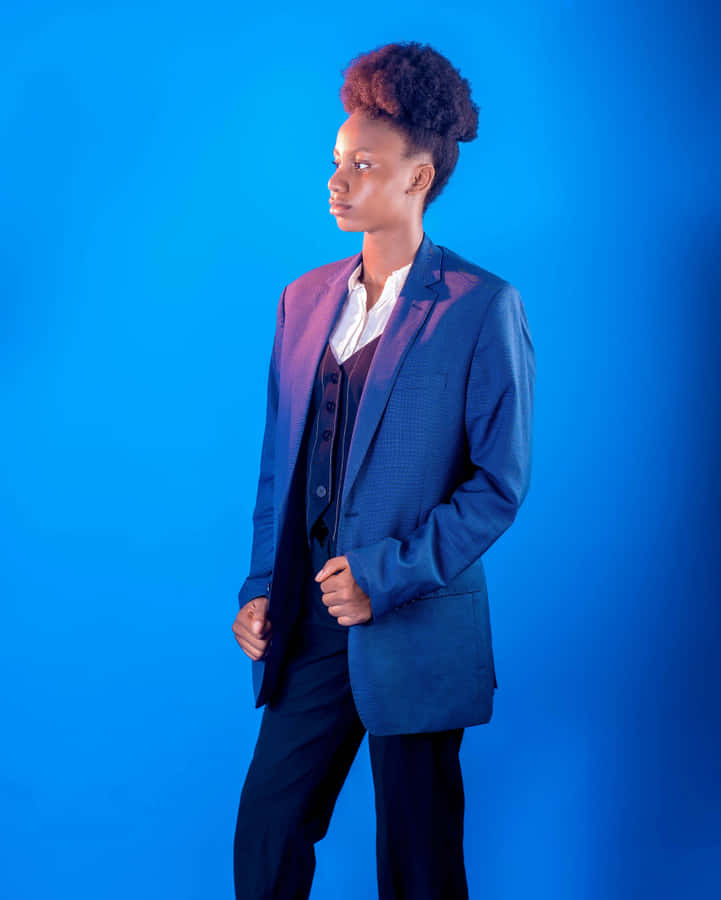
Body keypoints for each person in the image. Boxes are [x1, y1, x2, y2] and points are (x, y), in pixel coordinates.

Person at [231, 40, 535, 900]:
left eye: (361, 166)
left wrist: (383, 577)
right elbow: (276, 468)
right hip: (310, 630)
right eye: (335, 163)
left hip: (415, 624)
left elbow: (497, 486)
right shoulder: (302, 300)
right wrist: (262, 587)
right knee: (266, 838)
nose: (337, 182)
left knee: (419, 867)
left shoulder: (482, 307)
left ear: (418, 177)